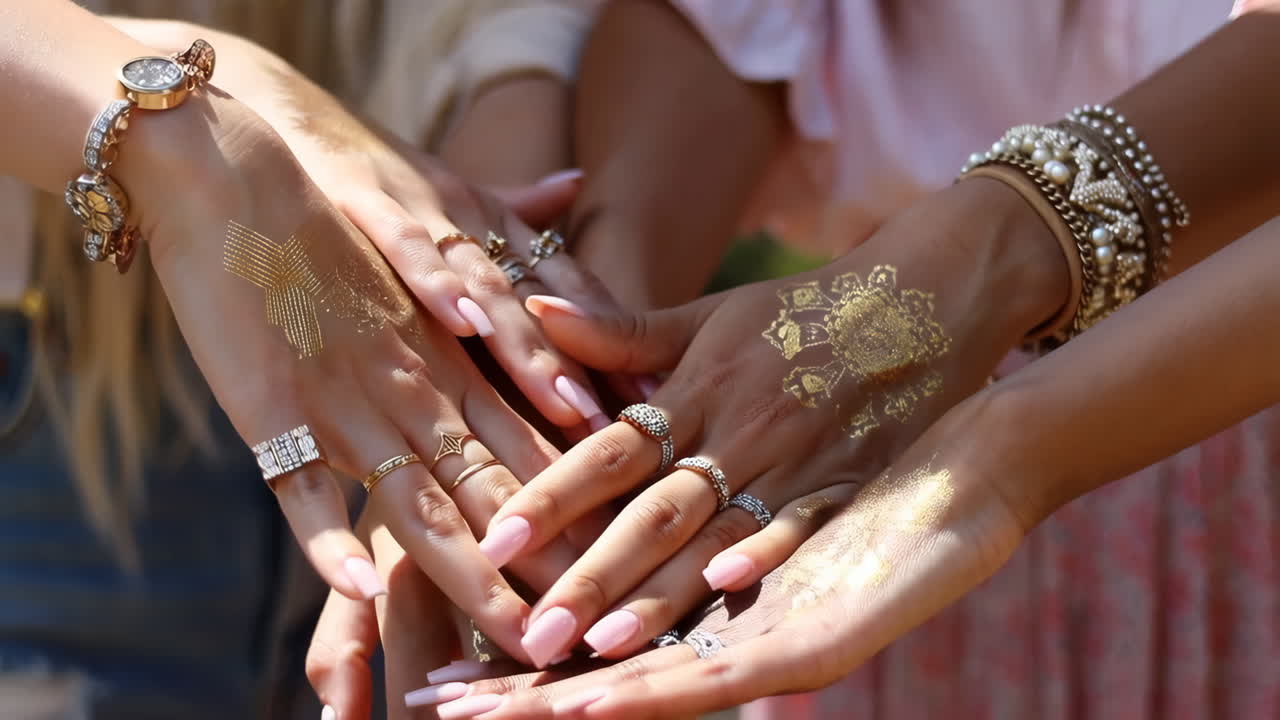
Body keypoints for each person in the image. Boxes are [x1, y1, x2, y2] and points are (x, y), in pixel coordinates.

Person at [373, 3, 1279, 718]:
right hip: (845, 476)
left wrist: (993, 278)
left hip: (1219, 381)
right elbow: (736, 24)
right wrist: (585, 377)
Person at [0, 1, 604, 716]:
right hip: (51, 411)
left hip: (381, 403)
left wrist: (469, 354)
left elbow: (521, 57)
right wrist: (215, 126)